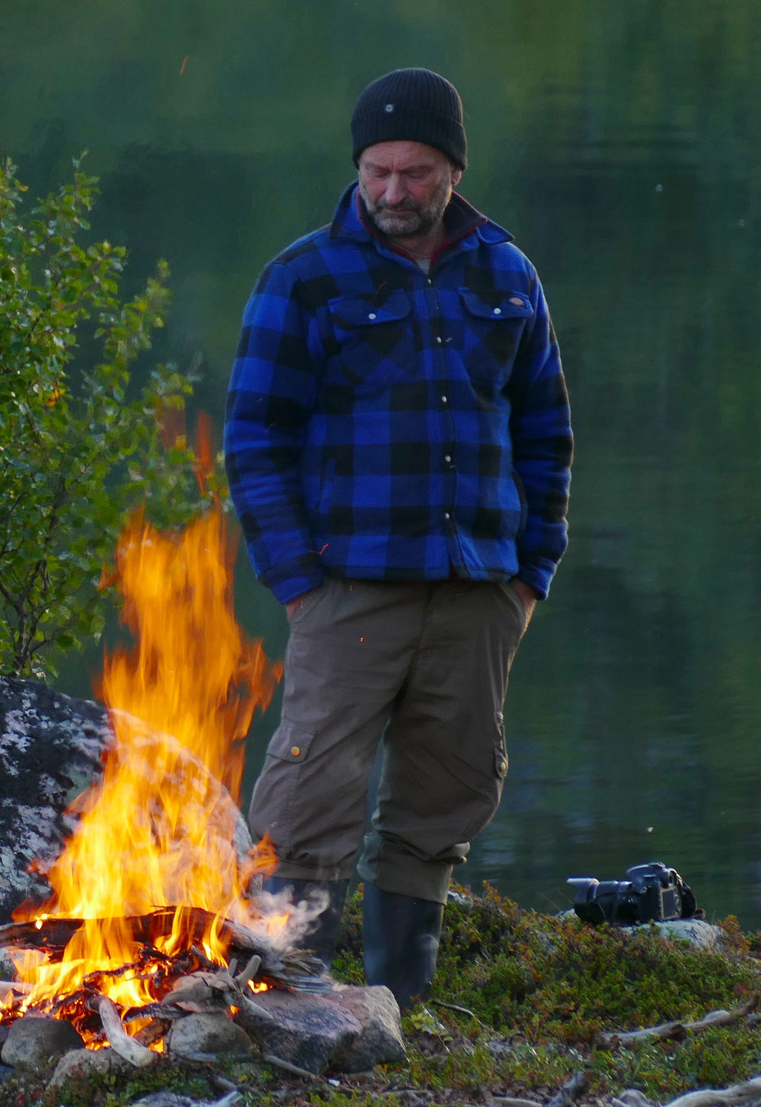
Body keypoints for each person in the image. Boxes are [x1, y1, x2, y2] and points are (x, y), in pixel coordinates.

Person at [223, 68, 572, 1010]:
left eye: (414, 172)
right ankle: (280, 1002)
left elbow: (545, 434)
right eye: (376, 171)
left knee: (447, 796)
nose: (391, 192)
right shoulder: (304, 277)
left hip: (479, 589)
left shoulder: (508, 273)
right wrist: (297, 582)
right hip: (349, 588)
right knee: (308, 799)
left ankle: (395, 1011)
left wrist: (530, 575)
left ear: (453, 169)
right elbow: (253, 440)